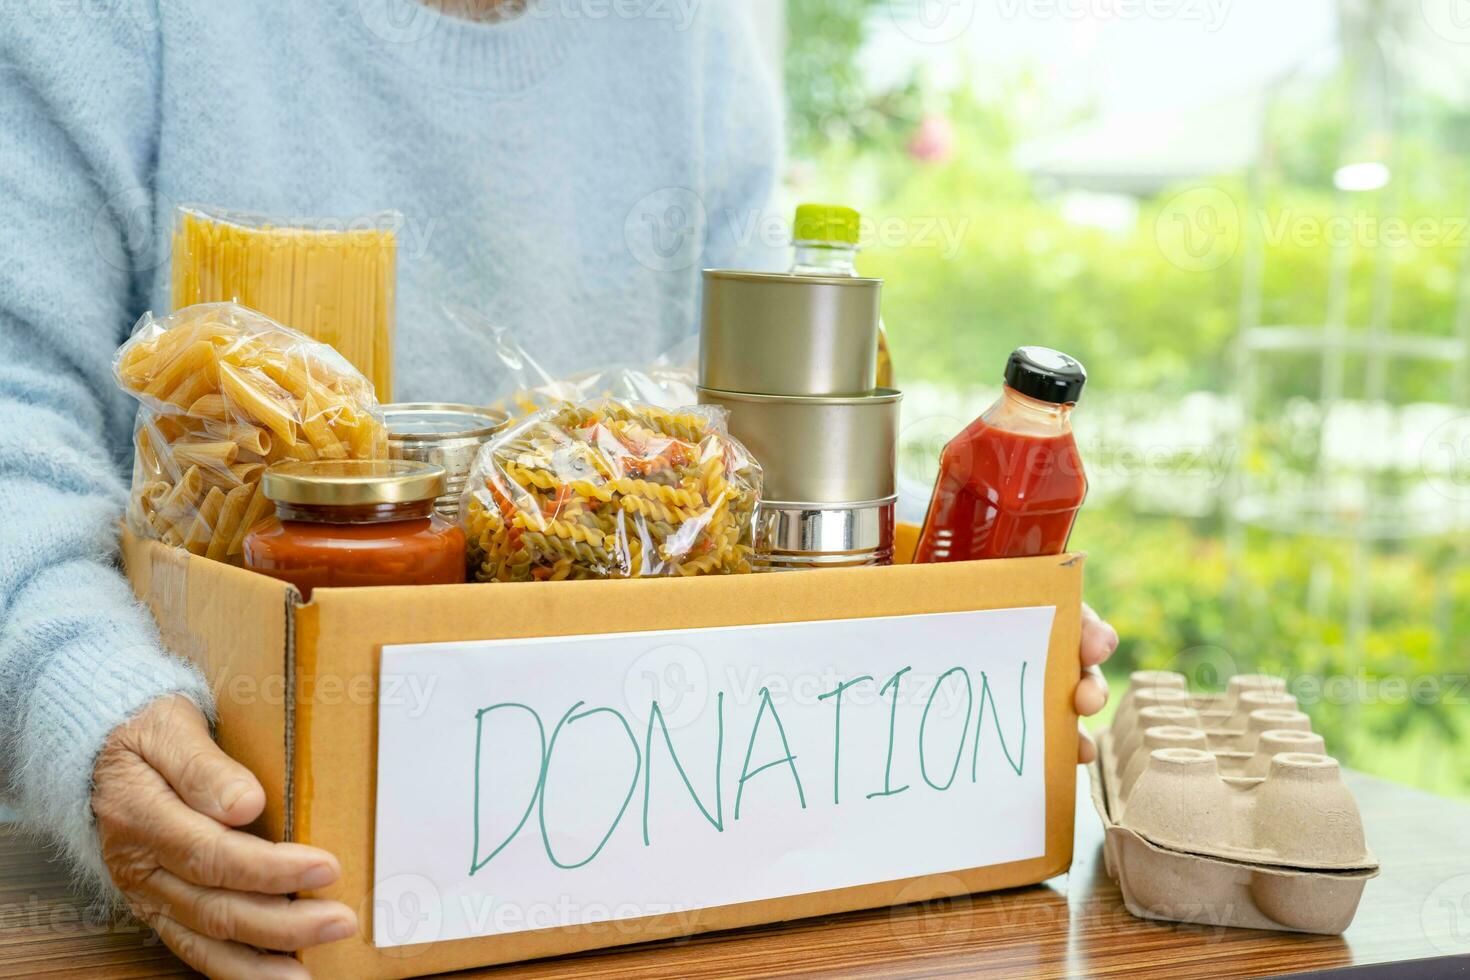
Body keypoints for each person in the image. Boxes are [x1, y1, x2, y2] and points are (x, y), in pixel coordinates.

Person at [0, 2, 1117, 977]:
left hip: (656, 880)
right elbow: (19, 418)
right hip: (270, 876)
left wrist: (955, 629)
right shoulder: (112, 21)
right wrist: (84, 696)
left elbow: (765, 451)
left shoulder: (690, 38)